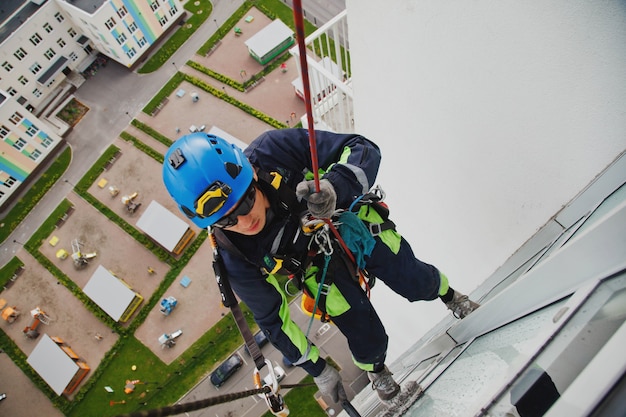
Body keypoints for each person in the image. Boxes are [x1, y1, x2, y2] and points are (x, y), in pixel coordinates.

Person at [162, 129, 479, 404]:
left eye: (245, 202)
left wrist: (335, 186)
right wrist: (318, 369)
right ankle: (377, 370)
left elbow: (361, 147)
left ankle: (450, 296)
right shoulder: (233, 254)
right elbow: (273, 319)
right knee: (362, 330)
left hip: (348, 223)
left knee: (412, 278)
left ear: (252, 174)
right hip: (315, 268)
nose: (244, 221)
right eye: (227, 219)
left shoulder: (274, 151)